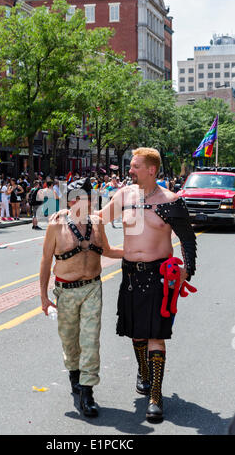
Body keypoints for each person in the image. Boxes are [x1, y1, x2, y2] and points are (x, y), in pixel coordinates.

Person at [97, 147, 197, 423]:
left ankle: (155, 395)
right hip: (130, 274)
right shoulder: (124, 196)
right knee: (136, 334)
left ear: (151, 170)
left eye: (135, 166)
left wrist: (187, 271)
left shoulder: (171, 201)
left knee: (156, 334)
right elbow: (98, 219)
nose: (129, 171)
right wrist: (74, 223)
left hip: (158, 276)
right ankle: (142, 369)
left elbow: (187, 238)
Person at [40, 177, 123, 418]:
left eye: (85, 198)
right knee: (69, 340)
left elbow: (107, 251)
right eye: (75, 198)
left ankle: (87, 392)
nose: (80, 202)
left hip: (92, 289)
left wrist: (137, 252)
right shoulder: (56, 225)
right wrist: (44, 297)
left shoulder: (97, 223)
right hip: (65, 291)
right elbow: (46, 261)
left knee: (90, 340)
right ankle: (74, 375)